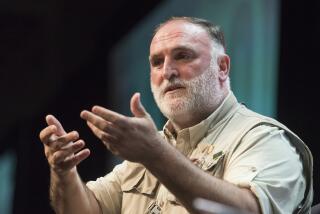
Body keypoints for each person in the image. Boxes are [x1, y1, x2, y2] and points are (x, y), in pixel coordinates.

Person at [39, 16, 313, 214]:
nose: (167, 71)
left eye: (183, 56)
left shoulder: (266, 139)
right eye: (157, 62)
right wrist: (63, 172)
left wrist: (155, 154)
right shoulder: (149, 150)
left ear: (222, 67)